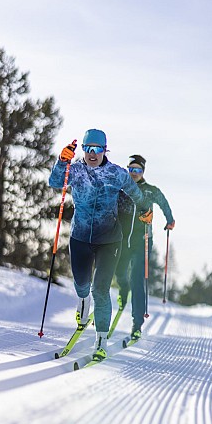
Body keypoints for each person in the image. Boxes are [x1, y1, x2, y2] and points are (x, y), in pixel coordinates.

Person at [49, 131, 152, 361]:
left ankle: (101, 341)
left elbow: (135, 193)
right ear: (83, 149)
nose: (92, 154)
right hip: (80, 237)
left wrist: (145, 209)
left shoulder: (116, 173)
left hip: (109, 240)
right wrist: (62, 161)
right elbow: (55, 182)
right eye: (88, 148)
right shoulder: (75, 170)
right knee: (81, 284)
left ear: (105, 150)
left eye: (98, 149)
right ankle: (83, 305)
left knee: (100, 290)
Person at [116, 154, 175, 340]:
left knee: (137, 279)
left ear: (143, 172)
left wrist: (170, 220)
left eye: (138, 170)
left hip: (142, 241)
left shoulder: (150, 191)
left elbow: (164, 202)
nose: (134, 173)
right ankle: (123, 292)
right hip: (121, 240)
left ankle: (137, 324)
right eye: (131, 169)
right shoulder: (121, 188)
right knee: (120, 273)